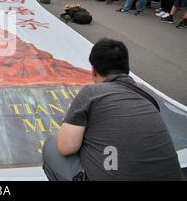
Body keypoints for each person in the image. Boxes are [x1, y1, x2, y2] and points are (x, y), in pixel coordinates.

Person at [42, 38, 184, 181]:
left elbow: (66, 147)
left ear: (93, 71)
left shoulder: (91, 92)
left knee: (52, 146)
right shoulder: (147, 97)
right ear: (126, 68)